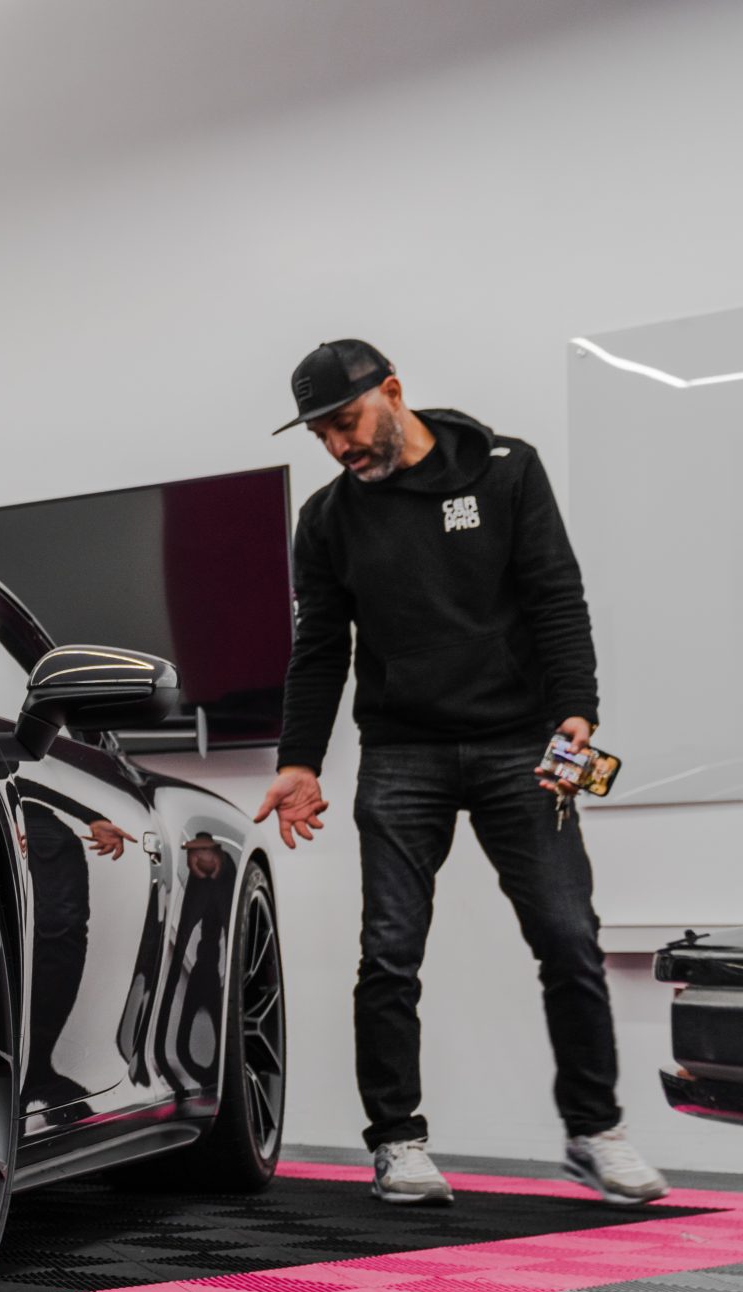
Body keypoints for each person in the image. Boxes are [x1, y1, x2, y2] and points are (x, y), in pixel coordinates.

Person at [255, 339, 668, 1208]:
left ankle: (594, 1131)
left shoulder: (506, 470)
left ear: (393, 391)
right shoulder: (327, 520)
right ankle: (397, 1143)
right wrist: (299, 760)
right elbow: (320, 647)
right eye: (321, 435)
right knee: (388, 953)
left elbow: (556, 596)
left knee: (568, 938)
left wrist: (577, 713)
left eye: (346, 422)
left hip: (521, 746)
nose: (337, 445)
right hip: (402, 753)